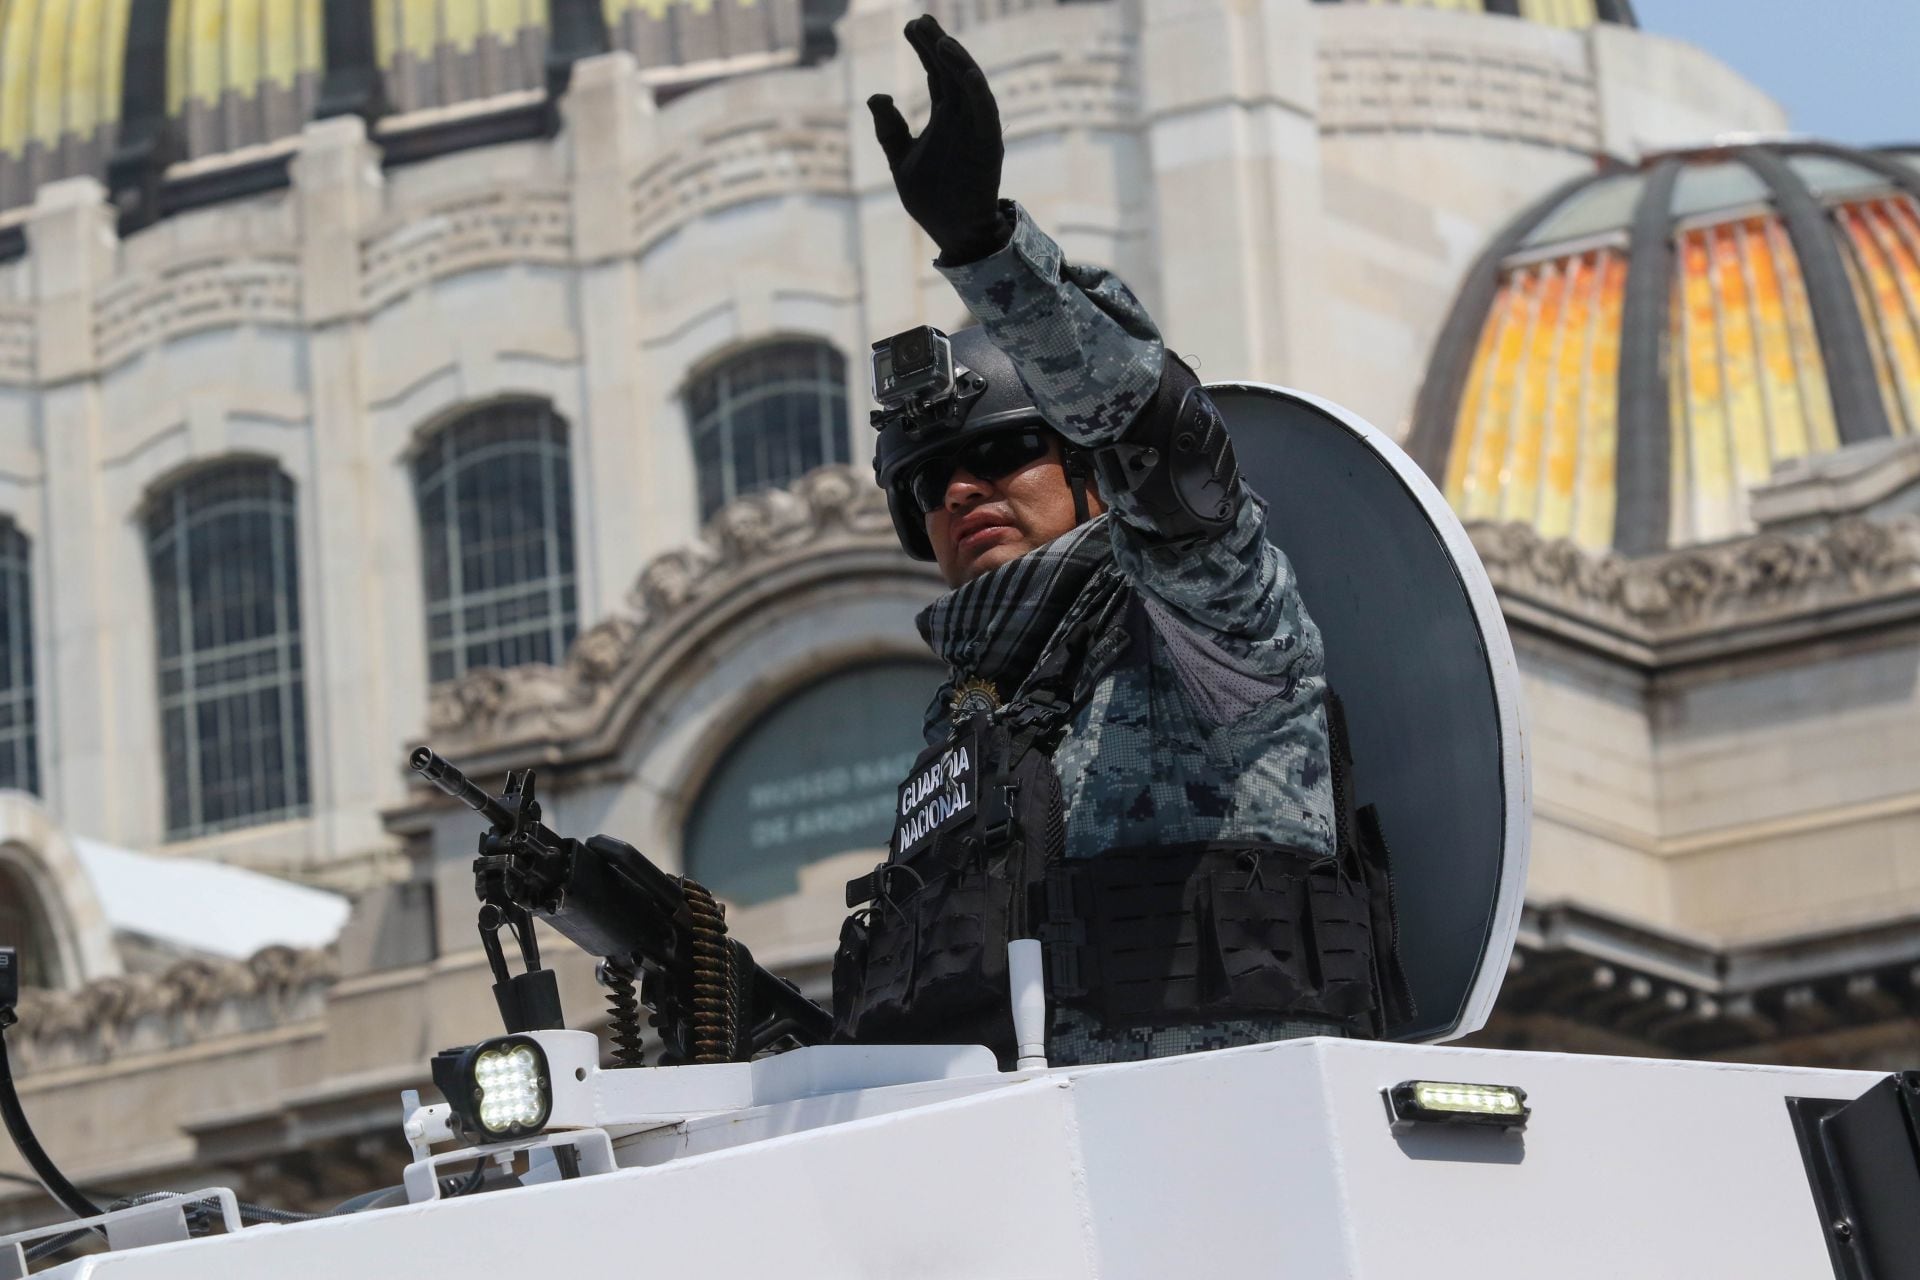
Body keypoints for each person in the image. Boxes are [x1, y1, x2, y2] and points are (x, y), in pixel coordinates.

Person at [831, 16, 1409, 1065]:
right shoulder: (967, 737)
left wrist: (986, 249)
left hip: (1238, 1143)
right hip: (1039, 1177)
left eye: (1006, 452)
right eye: (927, 480)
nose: (962, 489)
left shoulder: (1198, 633)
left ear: (1091, 474)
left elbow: (1169, 451)